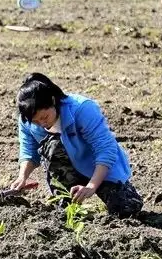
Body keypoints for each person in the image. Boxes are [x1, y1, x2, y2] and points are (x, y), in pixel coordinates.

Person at [10, 73, 143, 218]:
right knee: (65, 215)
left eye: (44, 117)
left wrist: (91, 186)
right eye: (36, 121)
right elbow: (29, 150)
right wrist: (22, 177)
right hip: (65, 170)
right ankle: (65, 199)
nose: (42, 123)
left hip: (98, 167)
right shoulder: (27, 120)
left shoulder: (82, 109)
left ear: (53, 101)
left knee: (126, 210)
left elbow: (105, 149)